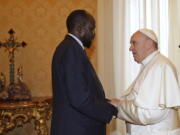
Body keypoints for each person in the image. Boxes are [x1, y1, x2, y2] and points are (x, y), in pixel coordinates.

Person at [50, 9, 118, 135]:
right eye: (91, 29)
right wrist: (110, 110)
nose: (93, 34)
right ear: (79, 29)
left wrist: (105, 102)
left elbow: (81, 90)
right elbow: (79, 98)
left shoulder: (69, 47)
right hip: (77, 129)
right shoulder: (72, 50)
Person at [110, 28, 180, 135]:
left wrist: (119, 105)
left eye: (134, 43)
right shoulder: (151, 65)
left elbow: (148, 114)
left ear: (149, 44)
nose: (130, 48)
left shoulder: (160, 66)